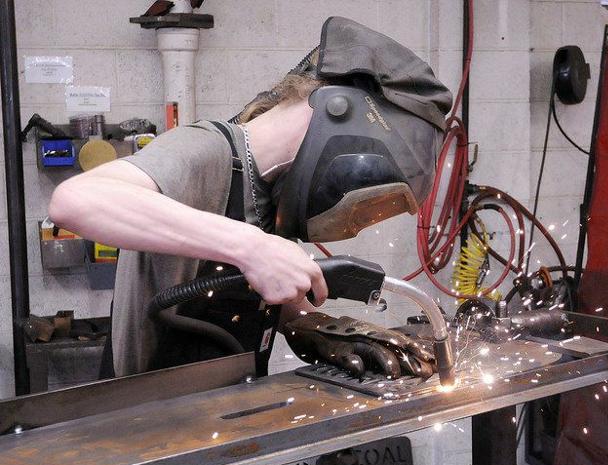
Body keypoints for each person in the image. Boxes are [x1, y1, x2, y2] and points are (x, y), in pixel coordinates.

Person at [49, 16, 452, 381]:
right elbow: (77, 200)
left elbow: (239, 288)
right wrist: (252, 247)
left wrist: (313, 325)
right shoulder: (206, 150)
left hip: (224, 417)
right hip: (149, 426)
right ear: (337, 110)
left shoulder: (269, 189)